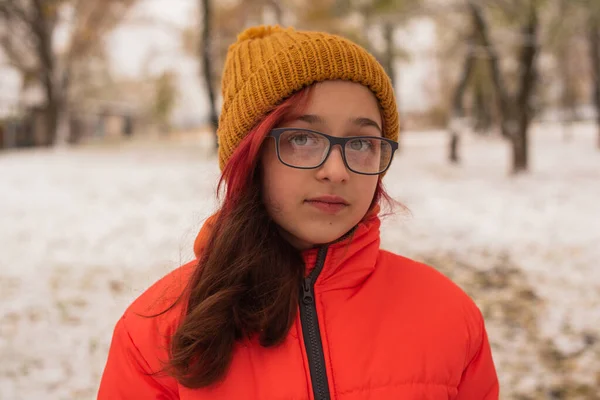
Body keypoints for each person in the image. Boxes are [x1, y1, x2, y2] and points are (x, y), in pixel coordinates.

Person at [98, 25, 499, 399]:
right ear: (249, 156)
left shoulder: (448, 315)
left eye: (361, 143)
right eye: (302, 138)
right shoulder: (155, 332)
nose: (337, 171)